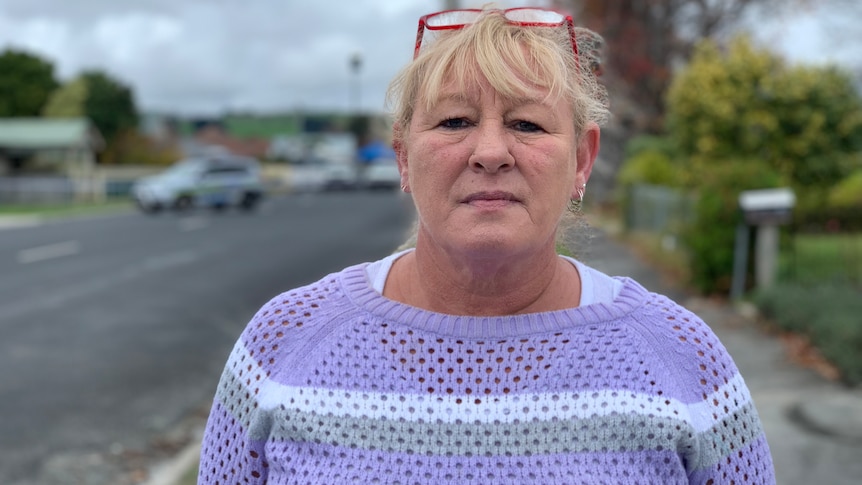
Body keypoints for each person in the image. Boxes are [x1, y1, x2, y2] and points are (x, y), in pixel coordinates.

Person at [198, 6, 775, 484]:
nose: (491, 151)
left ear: (581, 159)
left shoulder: (683, 359)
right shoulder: (282, 344)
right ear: (403, 155)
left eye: (527, 124)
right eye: (454, 122)